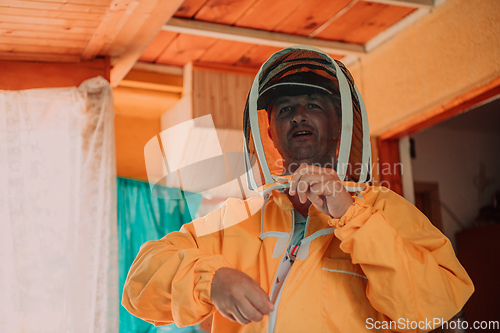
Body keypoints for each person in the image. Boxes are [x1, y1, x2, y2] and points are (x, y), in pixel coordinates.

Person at [122, 46, 474, 332]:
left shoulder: (384, 209)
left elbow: (433, 307)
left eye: (313, 105)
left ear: (338, 124)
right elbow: (140, 283)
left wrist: (351, 214)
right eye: (286, 108)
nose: (298, 116)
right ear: (270, 132)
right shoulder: (238, 218)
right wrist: (210, 282)